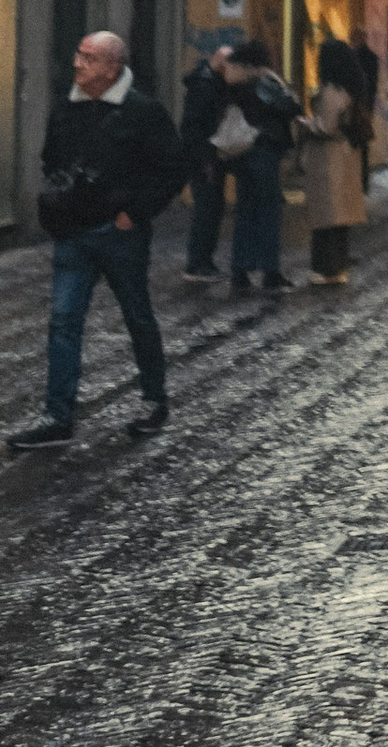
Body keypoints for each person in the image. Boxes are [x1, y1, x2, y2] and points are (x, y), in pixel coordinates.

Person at [7, 30, 190, 450]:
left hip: (120, 233)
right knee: (63, 321)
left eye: (88, 57)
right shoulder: (66, 107)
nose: (77, 62)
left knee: (137, 315)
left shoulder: (143, 112)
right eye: (78, 53)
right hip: (72, 232)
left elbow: (172, 168)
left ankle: (154, 400)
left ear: (112, 68)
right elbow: (51, 158)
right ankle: (58, 416)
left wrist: (134, 213)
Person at [209, 37, 299, 293]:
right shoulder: (262, 84)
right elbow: (290, 107)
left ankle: (241, 271)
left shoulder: (231, 86)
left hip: (241, 155)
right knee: (269, 211)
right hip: (263, 152)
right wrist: (279, 83)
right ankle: (270, 272)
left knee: (245, 211)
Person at [304, 36, 374, 287]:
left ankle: (326, 269)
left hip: (328, 159)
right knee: (341, 215)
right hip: (347, 156)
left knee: (326, 215)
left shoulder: (331, 92)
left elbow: (326, 127)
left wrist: (304, 124)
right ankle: (339, 266)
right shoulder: (353, 88)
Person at [177, 41, 234, 281]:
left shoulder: (209, 83)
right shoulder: (205, 86)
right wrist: (205, 158)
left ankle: (203, 261)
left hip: (208, 155)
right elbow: (195, 127)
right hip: (204, 157)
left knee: (211, 209)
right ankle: (197, 263)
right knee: (207, 209)